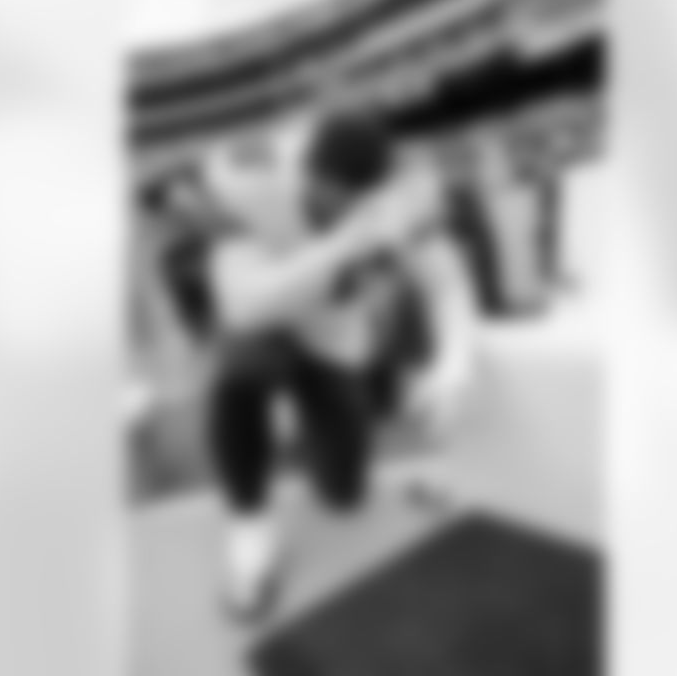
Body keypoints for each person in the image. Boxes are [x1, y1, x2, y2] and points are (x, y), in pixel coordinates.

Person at [195, 112, 480, 622]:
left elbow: (448, 286)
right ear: (304, 172)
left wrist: (453, 365)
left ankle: (303, 423)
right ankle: (249, 531)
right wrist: (346, 242)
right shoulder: (247, 182)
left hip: (334, 342)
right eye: (330, 199)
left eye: (359, 202)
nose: (343, 211)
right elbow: (242, 306)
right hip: (269, 325)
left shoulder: (402, 198)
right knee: (241, 360)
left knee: (344, 495)